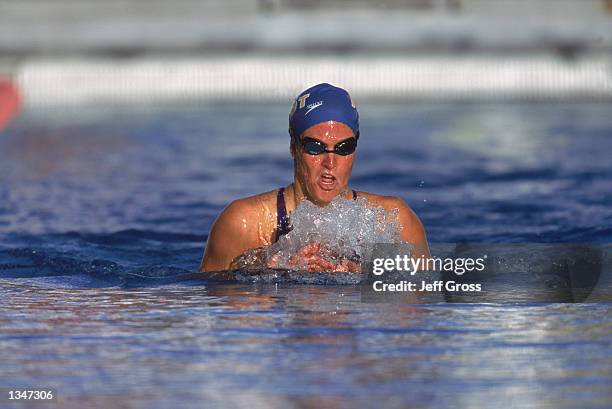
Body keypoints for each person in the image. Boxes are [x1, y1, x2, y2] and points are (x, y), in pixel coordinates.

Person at [199, 83, 430, 272]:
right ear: (293, 147)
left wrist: (373, 277)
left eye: (343, 147)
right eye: (315, 147)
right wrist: (262, 268)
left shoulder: (393, 220)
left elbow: (432, 296)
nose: (330, 162)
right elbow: (207, 299)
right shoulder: (245, 223)